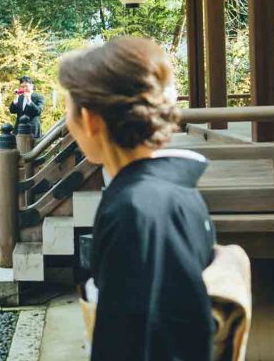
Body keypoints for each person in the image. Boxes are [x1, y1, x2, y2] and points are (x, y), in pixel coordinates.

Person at [58, 36, 215, 361]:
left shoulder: (136, 209)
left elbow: (128, 342)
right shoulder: (169, 190)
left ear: (90, 119)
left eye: (68, 111)